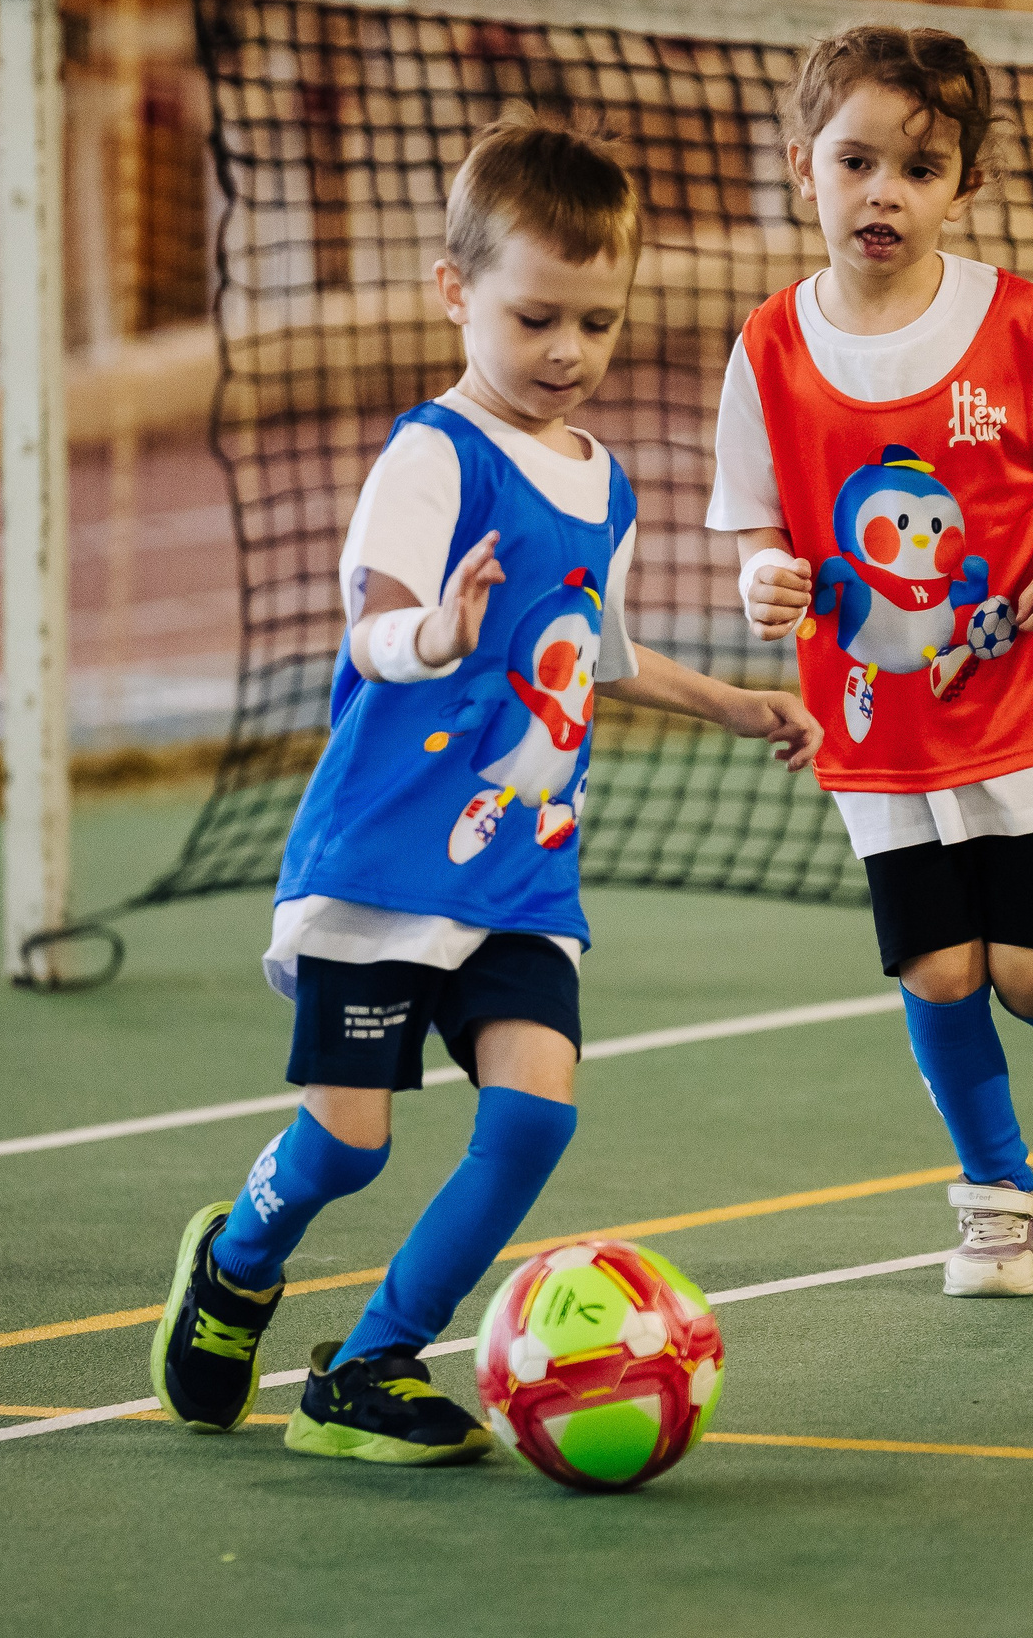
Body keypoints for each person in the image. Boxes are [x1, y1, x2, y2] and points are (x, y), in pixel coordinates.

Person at [150, 116, 821, 1466]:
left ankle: (371, 1363)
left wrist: (733, 702)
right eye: (535, 317)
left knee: (531, 1115)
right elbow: (371, 628)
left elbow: (597, 652)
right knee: (348, 1144)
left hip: (519, 869)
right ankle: (235, 1262)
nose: (567, 350)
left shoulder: (603, 481)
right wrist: (437, 635)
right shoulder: (432, 456)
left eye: (596, 322)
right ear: (456, 293)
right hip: (384, 864)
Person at [710, 25, 1033, 1299]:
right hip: (872, 725)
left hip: (1024, 701)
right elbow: (755, 516)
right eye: (856, 162)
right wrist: (761, 574)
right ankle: (996, 1200)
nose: (883, 194)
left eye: (919, 168)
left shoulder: (1022, 322)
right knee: (939, 970)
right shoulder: (768, 346)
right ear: (803, 166)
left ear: (965, 184)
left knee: (1029, 973)